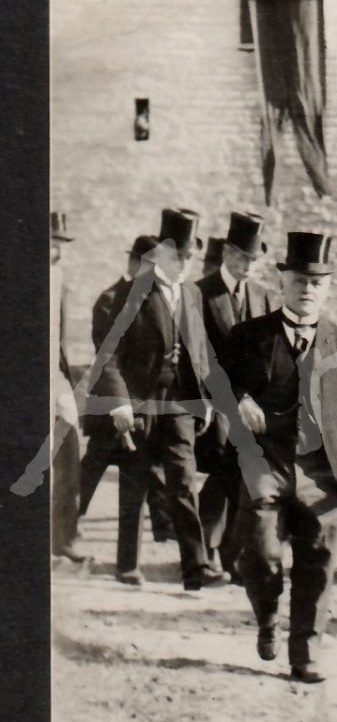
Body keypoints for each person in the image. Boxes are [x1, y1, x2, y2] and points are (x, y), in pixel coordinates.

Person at [221, 231, 337, 682]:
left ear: (328, 288)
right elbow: (217, 381)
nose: (307, 290)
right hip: (264, 463)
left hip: (322, 470)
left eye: (316, 283)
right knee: (260, 556)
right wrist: (239, 400)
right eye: (298, 281)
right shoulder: (249, 335)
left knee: (317, 562)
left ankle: (305, 654)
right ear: (282, 284)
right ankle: (268, 615)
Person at [96, 208, 217, 590]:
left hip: (179, 403)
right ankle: (127, 565)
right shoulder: (132, 294)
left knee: (183, 480)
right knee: (135, 483)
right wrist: (119, 402)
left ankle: (195, 568)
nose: (184, 264)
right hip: (141, 403)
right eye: (178, 256)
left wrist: (205, 398)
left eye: (189, 257)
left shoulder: (192, 293)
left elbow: (200, 352)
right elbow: (108, 356)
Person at [195, 212, 278, 584]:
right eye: (243, 257)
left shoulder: (263, 296)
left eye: (254, 260)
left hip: (252, 405)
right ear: (227, 253)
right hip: (214, 401)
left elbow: (267, 353)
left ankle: (234, 553)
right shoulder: (200, 294)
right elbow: (201, 357)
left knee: (246, 477)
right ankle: (204, 553)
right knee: (220, 474)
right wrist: (231, 400)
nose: (248, 266)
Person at [78, 236, 172, 541]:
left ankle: (162, 526)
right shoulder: (111, 299)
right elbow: (106, 357)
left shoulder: (153, 303)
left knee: (142, 470)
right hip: (110, 405)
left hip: (141, 408)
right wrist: (120, 401)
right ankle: (61, 524)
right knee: (92, 469)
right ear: (133, 263)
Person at [50, 212, 88, 564]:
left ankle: (65, 537)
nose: (56, 251)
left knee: (69, 452)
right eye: (51, 243)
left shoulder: (59, 278)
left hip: (55, 379)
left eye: (61, 245)